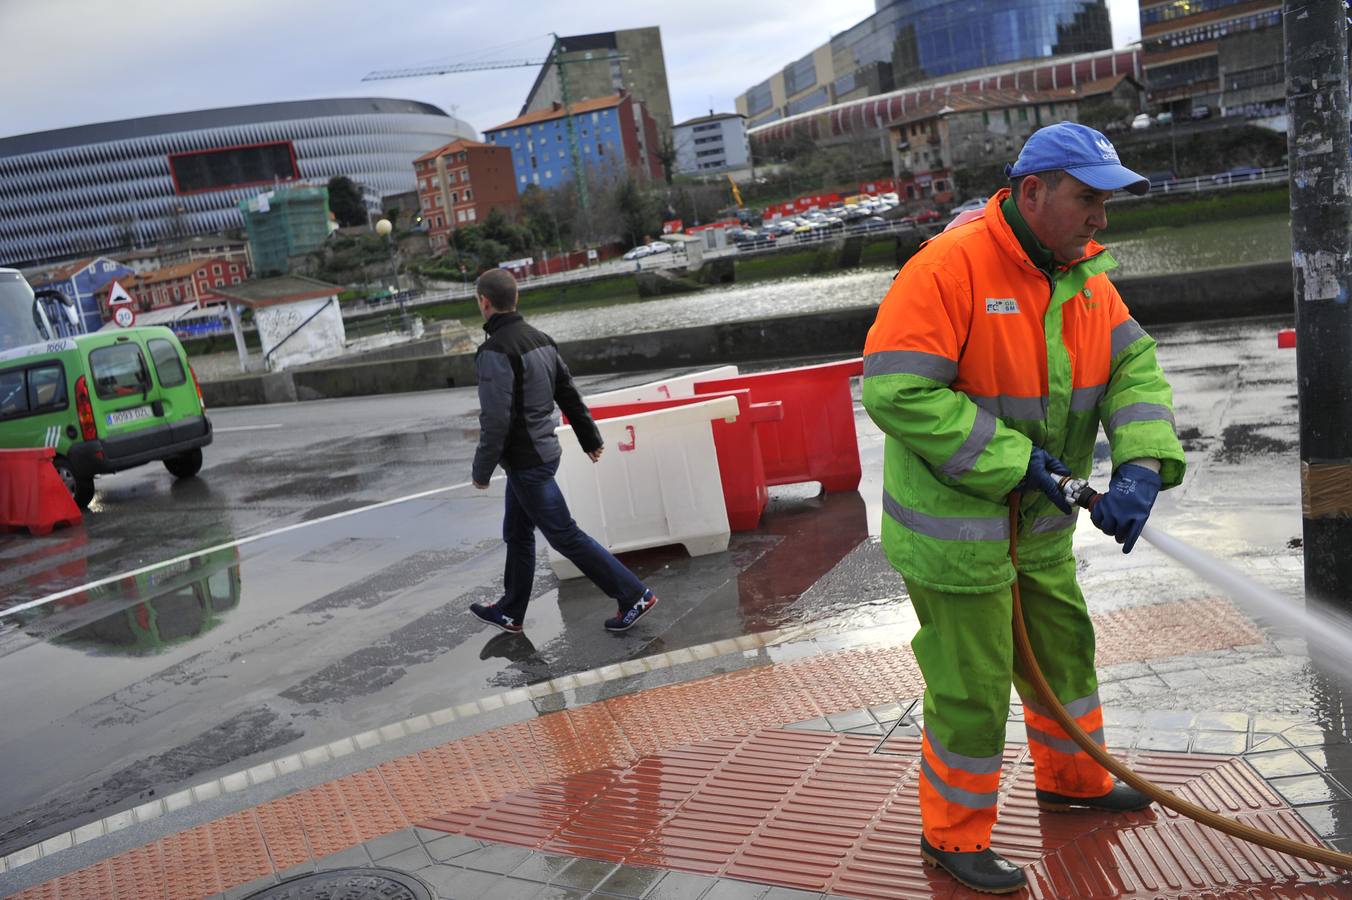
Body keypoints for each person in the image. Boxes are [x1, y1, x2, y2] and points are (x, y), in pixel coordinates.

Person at [861, 122, 1186, 894]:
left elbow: (1132, 367)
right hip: (956, 540)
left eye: (1107, 203)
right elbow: (894, 388)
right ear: (1032, 192)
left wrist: (1140, 465)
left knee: (1064, 661)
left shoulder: (1083, 276)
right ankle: (952, 836)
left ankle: (1074, 782)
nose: (1101, 219)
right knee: (970, 690)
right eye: (1087, 200)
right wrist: (1018, 462)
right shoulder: (946, 269)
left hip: (1038, 532)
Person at [468, 268, 658, 635]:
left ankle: (634, 594)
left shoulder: (495, 351)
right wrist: (591, 439)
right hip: (542, 452)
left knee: (564, 534)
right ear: (516, 299)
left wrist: (481, 470)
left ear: (485, 302)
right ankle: (510, 610)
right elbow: (567, 392)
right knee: (518, 532)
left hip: (527, 461)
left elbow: (496, 419)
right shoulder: (541, 340)